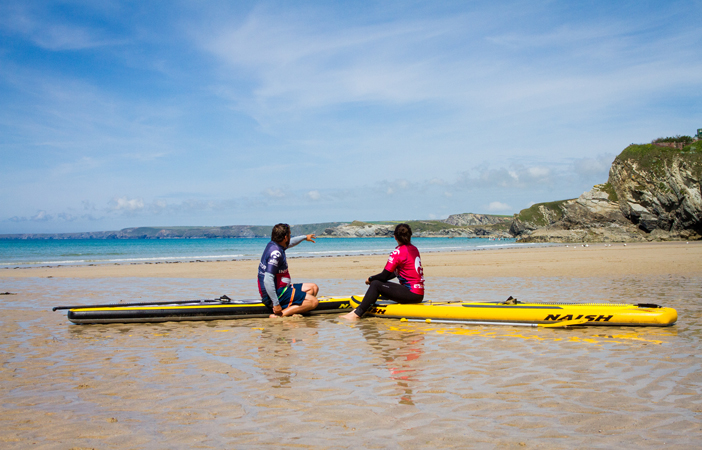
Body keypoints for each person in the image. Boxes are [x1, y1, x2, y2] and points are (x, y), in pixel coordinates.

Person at [340, 223, 424, 321]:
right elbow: (393, 273)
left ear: (395, 237)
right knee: (379, 284)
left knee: (376, 284)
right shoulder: (414, 249)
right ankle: (361, 307)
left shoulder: (398, 252)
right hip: (419, 294)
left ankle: (357, 314)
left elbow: (384, 275)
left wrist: (370, 279)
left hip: (411, 293)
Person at [258, 223, 320, 318]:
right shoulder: (276, 253)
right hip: (276, 293)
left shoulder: (275, 244)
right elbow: (267, 279)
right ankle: (280, 315)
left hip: (282, 288)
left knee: (313, 288)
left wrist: (304, 237)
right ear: (286, 237)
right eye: (290, 235)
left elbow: (290, 243)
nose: (291, 238)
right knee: (314, 302)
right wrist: (275, 303)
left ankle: (291, 309)